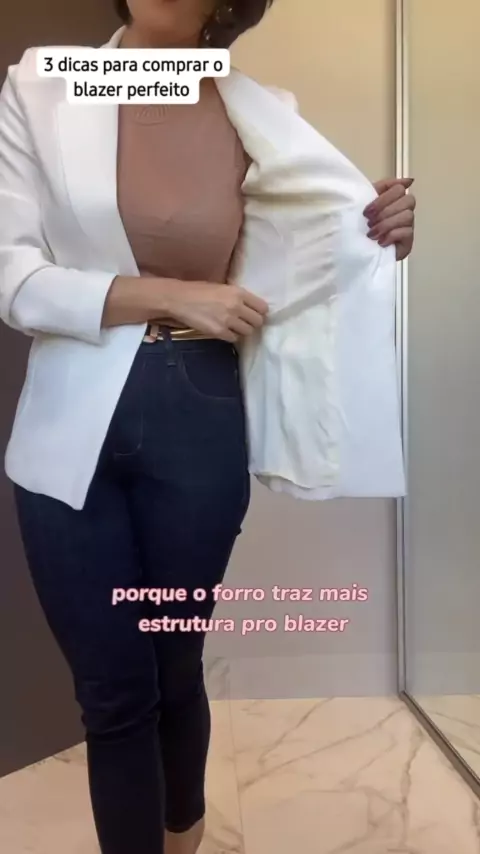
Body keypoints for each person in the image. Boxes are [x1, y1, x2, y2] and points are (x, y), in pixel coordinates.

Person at [0, 2, 416, 853]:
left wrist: (373, 231)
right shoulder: (45, 82)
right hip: (66, 426)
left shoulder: (261, 114)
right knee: (112, 692)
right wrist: (169, 294)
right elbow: (11, 272)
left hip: (199, 414)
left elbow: (307, 261)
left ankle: (183, 838)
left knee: (173, 662)